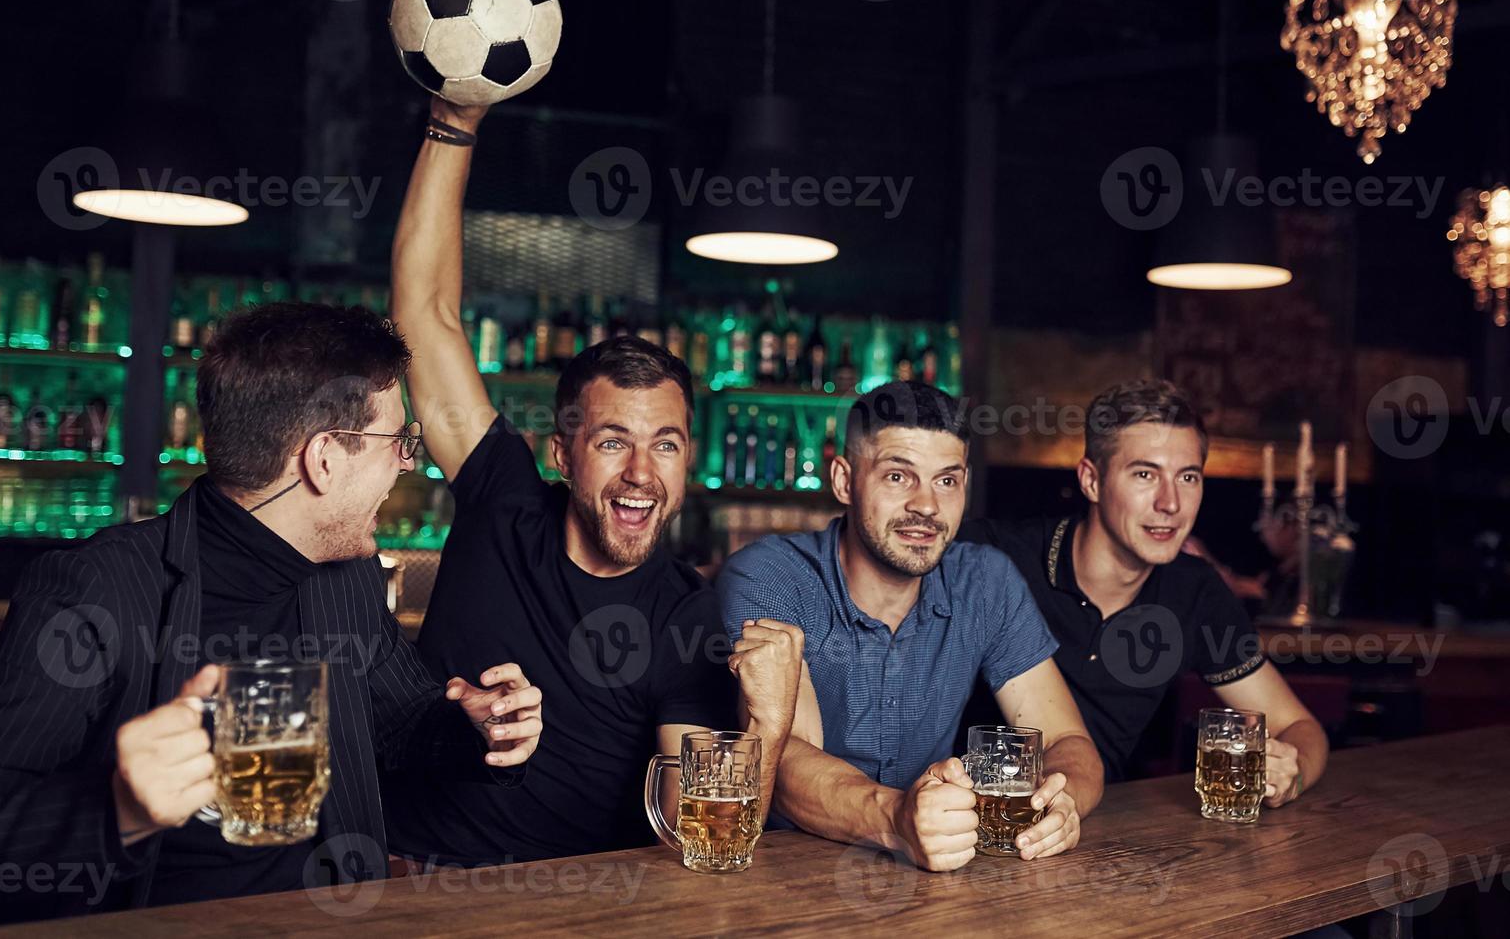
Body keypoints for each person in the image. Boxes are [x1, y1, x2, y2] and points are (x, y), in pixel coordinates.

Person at [0, 303, 543, 927]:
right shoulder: (98, 589)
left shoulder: (347, 576)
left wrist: (479, 727)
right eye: (397, 442)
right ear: (324, 459)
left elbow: (401, 723)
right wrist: (115, 808)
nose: (406, 464)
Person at [380, 97, 802, 869]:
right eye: (613, 442)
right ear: (562, 455)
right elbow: (423, 315)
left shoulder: (687, 613)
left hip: (569, 908)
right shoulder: (502, 497)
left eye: (665, 446)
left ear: (688, 463)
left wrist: (768, 728)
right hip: (404, 877)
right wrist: (455, 122)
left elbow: (699, 845)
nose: (641, 473)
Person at [717, 381, 1104, 871]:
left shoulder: (985, 581)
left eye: (947, 481)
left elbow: (1069, 744)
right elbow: (788, 760)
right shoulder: (772, 575)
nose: (926, 505)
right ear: (843, 480)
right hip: (779, 876)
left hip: (933, 883)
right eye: (898, 476)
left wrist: (1063, 802)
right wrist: (897, 817)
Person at [957, 378, 1329, 802]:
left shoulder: (1195, 590)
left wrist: (1290, 774)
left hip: (1106, 834)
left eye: (1188, 476)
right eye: (1145, 474)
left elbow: (1298, 727)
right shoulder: (996, 556)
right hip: (965, 824)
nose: (1170, 503)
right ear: (1091, 481)